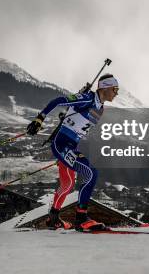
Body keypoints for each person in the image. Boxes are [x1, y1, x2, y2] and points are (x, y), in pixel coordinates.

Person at [27, 74, 119, 231]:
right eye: (114, 89)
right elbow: (58, 101)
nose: (116, 93)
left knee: (68, 184)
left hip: (70, 148)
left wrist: (69, 115)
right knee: (91, 173)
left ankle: (53, 218)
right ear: (104, 87)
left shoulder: (100, 108)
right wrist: (40, 118)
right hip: (61, 145)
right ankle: (81, 219)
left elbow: (78, 124)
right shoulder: (87, 98)